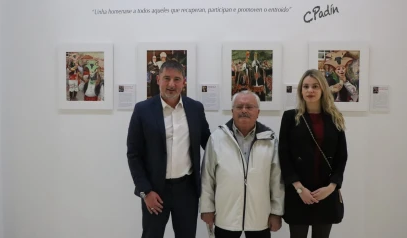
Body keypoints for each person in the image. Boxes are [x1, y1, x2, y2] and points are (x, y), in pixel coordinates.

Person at [127, 60, 211, 238]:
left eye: (177, 79)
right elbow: (134, 154)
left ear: (183, 82)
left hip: (187, 191)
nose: (171, 84)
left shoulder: (195, 108)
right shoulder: (142, 110)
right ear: (158, 79)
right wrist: (145, 191)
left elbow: (209, 143)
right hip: (155, 191)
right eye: (166, 78)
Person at [200, 90, 284, 238]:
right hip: (226, 216)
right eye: (239, 107)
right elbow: (207, 177)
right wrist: (207, 208)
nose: (244, 110)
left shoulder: (270, 139)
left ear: (258, 112)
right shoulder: (217, 138)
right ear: (232, 111)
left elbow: (276, 180)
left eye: (249, 107)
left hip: (260, 217)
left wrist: (276, 212)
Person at [278, 69, 348, 238]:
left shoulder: (334, 117)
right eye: (306, 86)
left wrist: (331, 187)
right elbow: (283, 155)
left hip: (325, 192)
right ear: (301, 91)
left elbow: (342, 156)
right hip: (299, 192)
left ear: (323, 89)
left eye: (315, 86)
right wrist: (299, 188)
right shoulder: (290, 117)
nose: (310, 90)